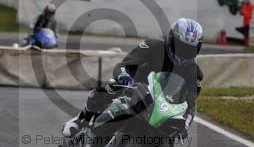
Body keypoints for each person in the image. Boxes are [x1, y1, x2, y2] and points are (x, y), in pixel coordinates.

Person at [63, 18, 204, 140]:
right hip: (134, 90)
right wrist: (124, 76)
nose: (182, 52)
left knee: (172, 135)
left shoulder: (193, 72)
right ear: (171, 39)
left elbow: (191, 103)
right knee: (110, 87)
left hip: (162, 107)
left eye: (188, 49)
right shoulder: (153, 45)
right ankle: (81, 119)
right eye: (180, 46)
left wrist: (185, 125)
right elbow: (124, 64)